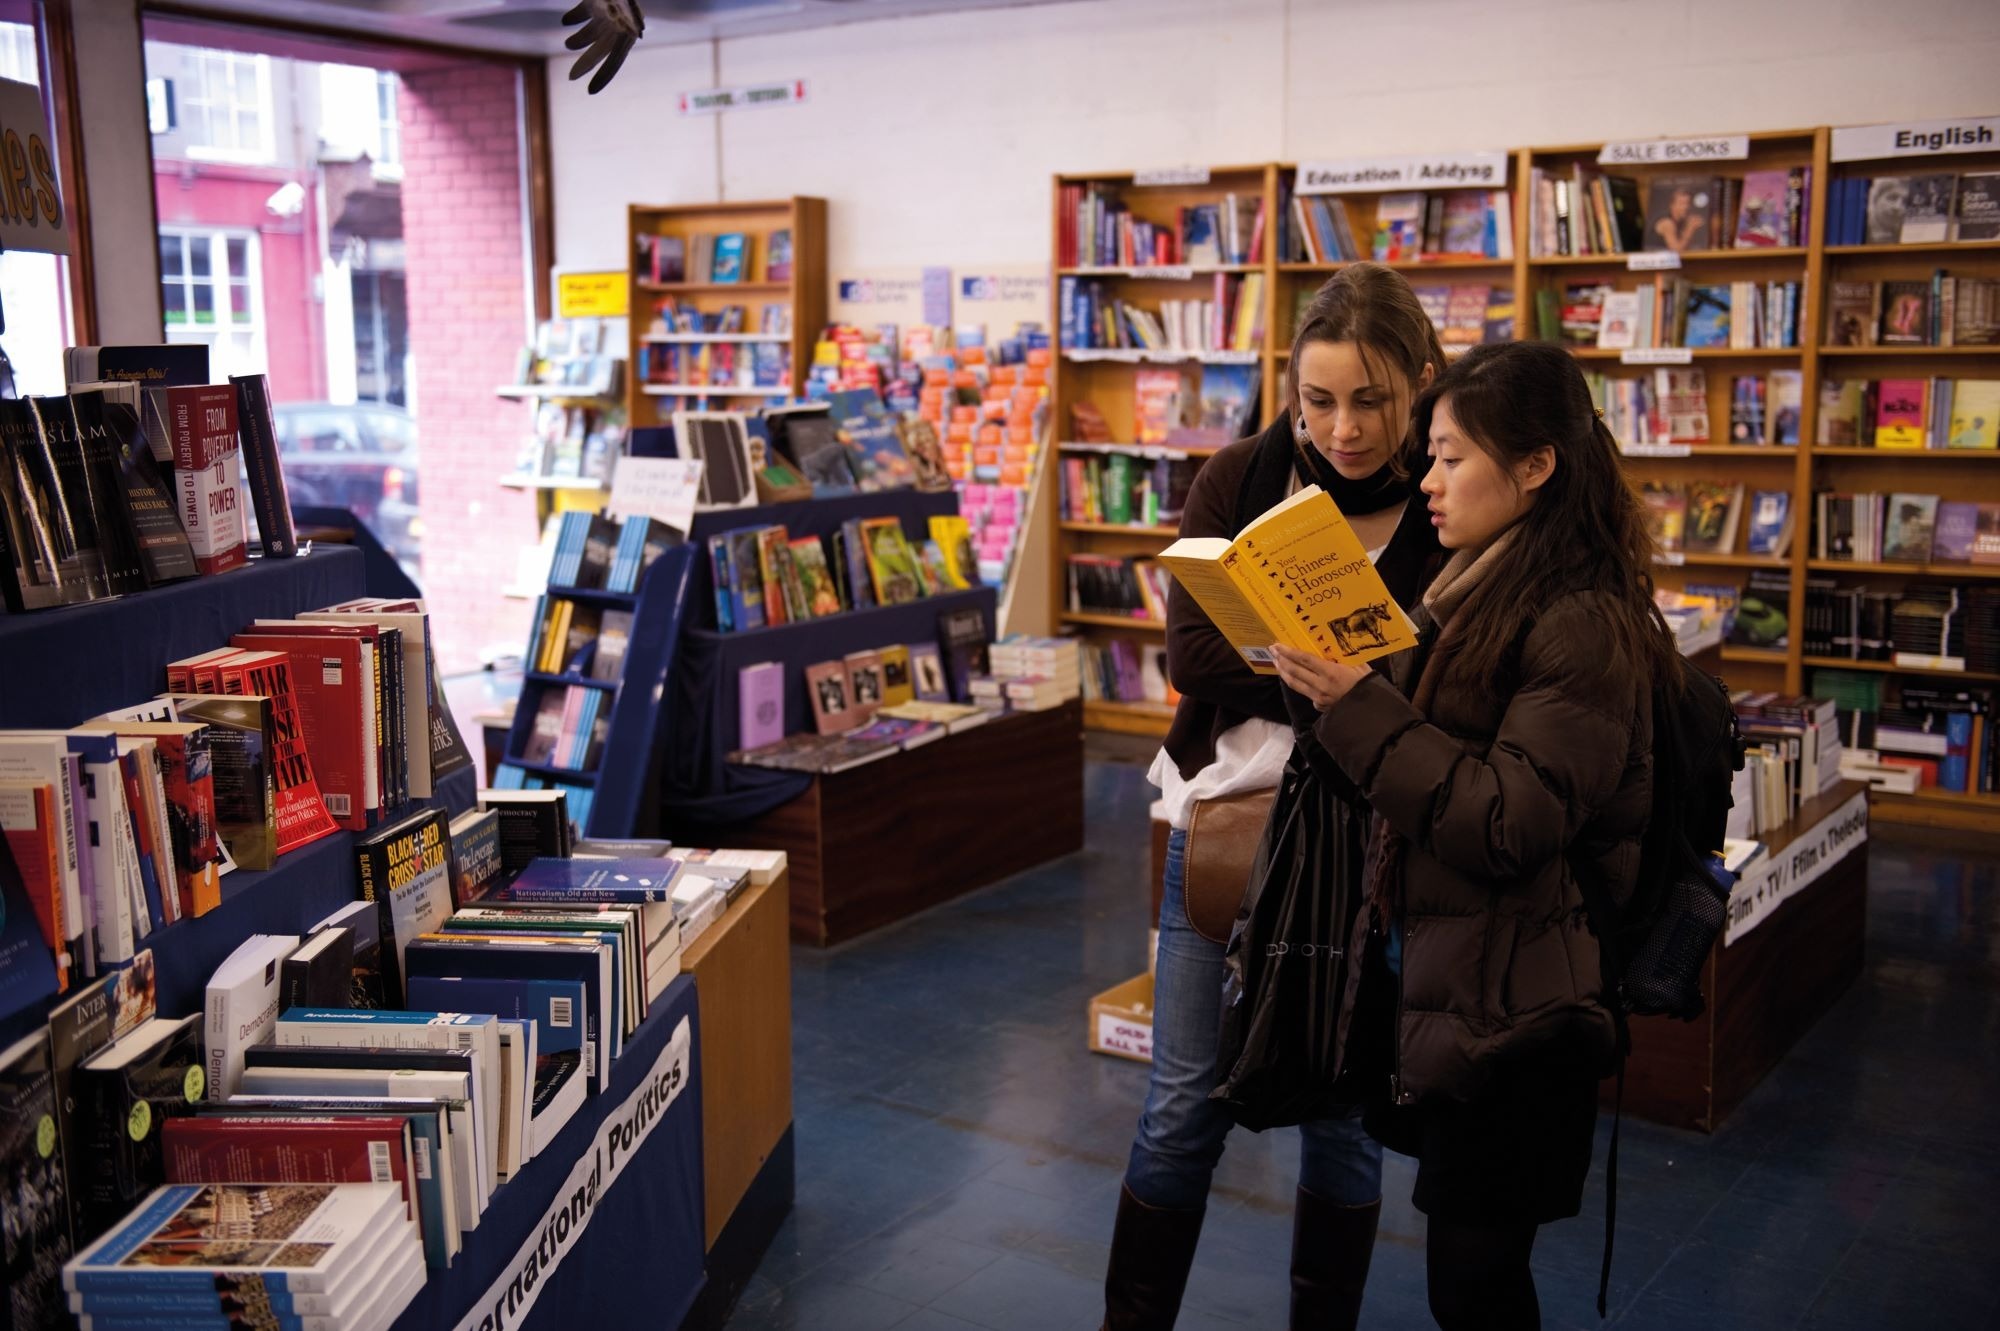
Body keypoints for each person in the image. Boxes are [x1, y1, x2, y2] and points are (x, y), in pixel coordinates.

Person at [1270, 340, 1676, 1331]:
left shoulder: (1575, 618)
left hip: (1529, 1006)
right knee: (1469, 1269)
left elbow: (1506, 820)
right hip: (1477, 985)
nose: (1426, 478)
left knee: (1475, 1278)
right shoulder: (1480, 589)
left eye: (1451, 456)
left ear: (1534, 465)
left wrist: (1359, 708)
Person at [1103, 262, 1445, 1331]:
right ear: (1289, 390)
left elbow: (1453, 683)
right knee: (1179, 1107)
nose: (1342, 429)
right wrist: (1340, 684)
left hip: (1377, 847)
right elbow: (1194, 655)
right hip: (1226, 830)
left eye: (1372, 401)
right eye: (1318, 400)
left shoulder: (1448, 494)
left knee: (1345, 1116)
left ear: (1422, 384)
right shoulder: (1241, 477)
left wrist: (1311, 671)